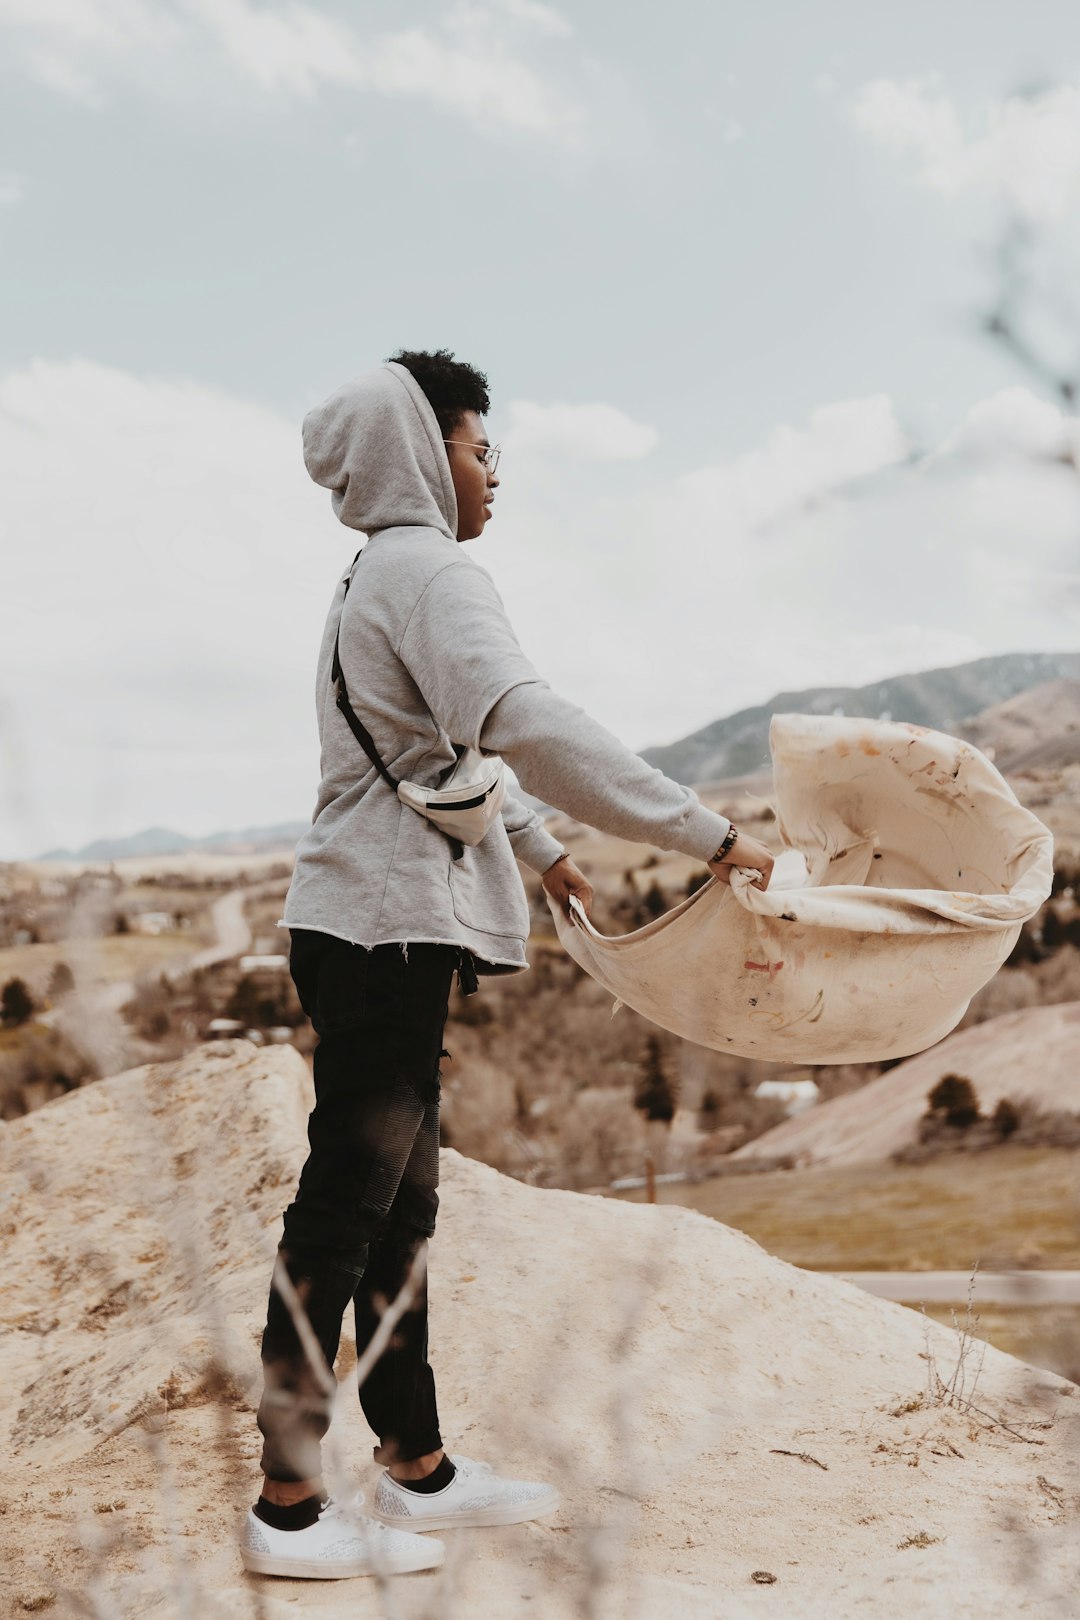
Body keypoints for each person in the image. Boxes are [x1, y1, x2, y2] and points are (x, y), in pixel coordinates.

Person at [240, 350, 774, 1581]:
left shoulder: (376, 572)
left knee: (400, 1210)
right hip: (384, 931)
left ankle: (415, 1466)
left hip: (364, 920)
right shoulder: (434, 569)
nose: (497, 473)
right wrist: (709, 832)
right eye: (482, 447)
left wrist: (537, 847)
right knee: (348, 1211)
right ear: (425, 452)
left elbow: (429, 747)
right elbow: (526, 718)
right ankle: (284, 1506)